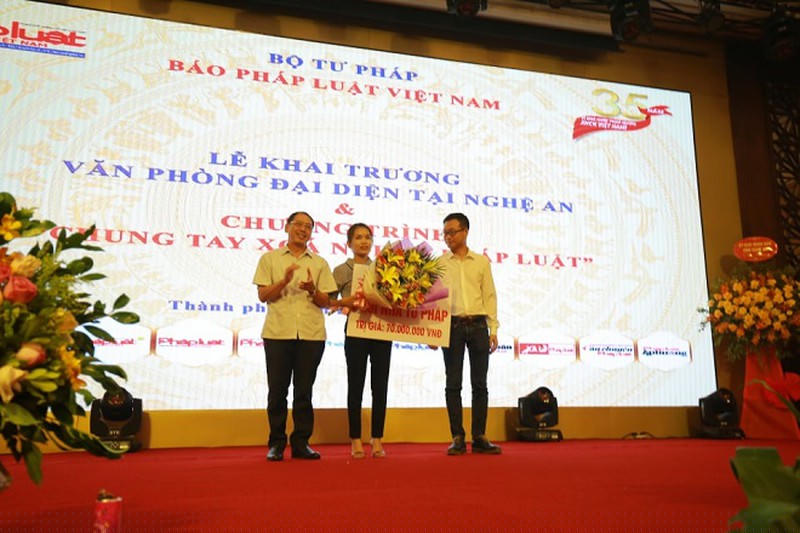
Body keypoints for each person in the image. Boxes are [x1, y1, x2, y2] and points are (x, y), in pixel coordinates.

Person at [253, 211, 337, 461]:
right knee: (277, 391)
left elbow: (327, 301)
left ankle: (301, 443)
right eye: (298, 224)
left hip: (311, 334)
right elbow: (263, 295)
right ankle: (276, 444)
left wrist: (313, 290)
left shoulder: (320, 263)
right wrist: (284, 281)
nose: (303, 229)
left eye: (308, 226)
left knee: (304, 392)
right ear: (287, 227)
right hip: (278, 333)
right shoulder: (269, 258)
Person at [439, 212, 501, 455]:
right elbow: (433, 300)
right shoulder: (440, 263)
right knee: (453, 384)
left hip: (478, 326)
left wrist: (493, 328)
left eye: (452, 232)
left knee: (480, 384)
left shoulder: (481, 262)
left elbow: (489, 296)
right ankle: (457, 436)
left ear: (465, 231)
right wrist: (431, 333)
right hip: (451, 327)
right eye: (445, 233)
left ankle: (479, 436)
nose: (448, 237)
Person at [330, 223, 393, 459]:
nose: (364, 241)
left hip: (381, 330)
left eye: (367, 237)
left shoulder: (384, 269)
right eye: (358, 237)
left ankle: (377, 438)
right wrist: (347, 303)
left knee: (380, 386)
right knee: (355, 385)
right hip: (356, 332)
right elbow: (330, 301)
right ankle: (355, 438)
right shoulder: (341, 270)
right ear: (349, 243)